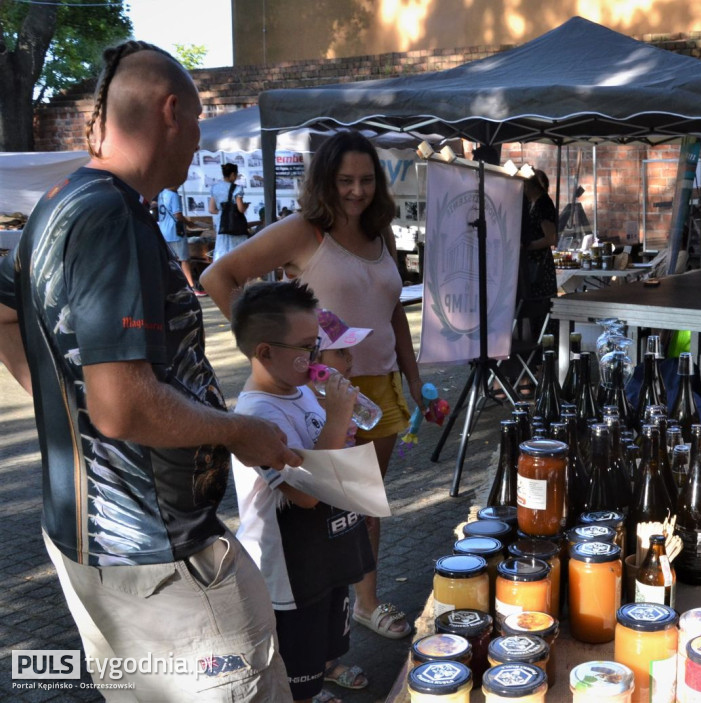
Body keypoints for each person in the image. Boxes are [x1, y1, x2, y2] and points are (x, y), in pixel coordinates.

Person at [0, 40, 299, 700]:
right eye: (196, 123)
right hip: (161, 569)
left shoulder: (59, 202)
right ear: (171, 113)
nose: (197, 144)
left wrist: (58, 399)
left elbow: (5, 310)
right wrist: (236, 432)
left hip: (97, 555)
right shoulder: (114, 218)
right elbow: (123, 406)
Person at [201, 129, 423, 640]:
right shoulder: (304, 231)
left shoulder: (379, 232)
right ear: (325, 180)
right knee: (319, 507)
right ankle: (311, 624)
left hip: (380, 386)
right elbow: (219, 276)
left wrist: (412, 378)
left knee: (364, 505)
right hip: (320, 391)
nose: (356, 191)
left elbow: (392, 312)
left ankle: (363, 604)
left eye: (367, 180)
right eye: (345, 180)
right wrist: (274, 349)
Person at [229, 281, 374, 703]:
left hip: (325, 547)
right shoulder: (256, 416)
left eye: (317, 347)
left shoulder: (302, 392)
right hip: (290, 564)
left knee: (329, 620)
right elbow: (307, 495)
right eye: (306, 348)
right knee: (299, 643)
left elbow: (330, 454)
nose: (315, 359)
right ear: (264, 352)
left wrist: (342, 423)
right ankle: (302, 691)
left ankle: (322, 671)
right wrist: (336, 418)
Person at [517, 168, 558, 342]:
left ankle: (546, 346)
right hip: (531, 263)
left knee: (542, 306)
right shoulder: (530, 203)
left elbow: (550, 238)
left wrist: (527, 247)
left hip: (541, 264)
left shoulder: (543, 204)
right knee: (532, 303)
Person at [158, 184, 204, 295]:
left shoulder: (161, 194)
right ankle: (191, 286)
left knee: (170, 260)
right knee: (184, 260)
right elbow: (178, 215)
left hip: (164, 230)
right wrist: (189, 223)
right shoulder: (173, 195)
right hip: (175, 232)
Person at [209, 162, 249, 261]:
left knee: (222, 250)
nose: (236, 177)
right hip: (235, 224)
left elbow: (212, 209)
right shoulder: (237, 189)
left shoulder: (215, 188)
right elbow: (240, 209)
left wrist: (223, 211)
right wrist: (246, 206)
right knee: (238, 251)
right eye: (236, 175)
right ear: (232, 174)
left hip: (221, 223)